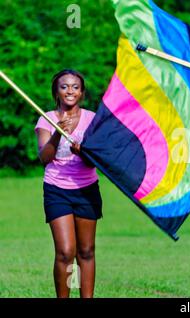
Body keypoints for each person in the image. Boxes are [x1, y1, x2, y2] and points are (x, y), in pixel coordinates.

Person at [35, 69, 101, 298]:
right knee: (65, 252)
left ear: (81, 92)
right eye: (64, 86)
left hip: (87, 189)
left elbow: (97, 160)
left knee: (86, 251)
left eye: (75, 86)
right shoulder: (46, 119)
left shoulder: (93, 119)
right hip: (56, 189)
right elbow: (44, 158)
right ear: (57, 91)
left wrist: (83, 153)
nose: (70, 91)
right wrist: (58, 133)